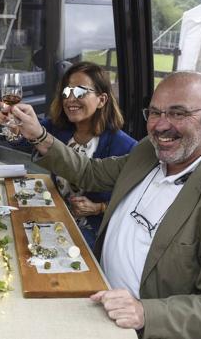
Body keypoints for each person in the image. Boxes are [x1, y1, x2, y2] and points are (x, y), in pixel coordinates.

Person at [0, 71, 201, 339]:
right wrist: (37, 134)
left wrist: (144, 313)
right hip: (94, 288)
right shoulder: (148, 151)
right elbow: (90, 173)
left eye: (177, 113)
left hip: (143, 328)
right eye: (154, 113)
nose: (160, 126)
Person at [8, 62, 136, 250]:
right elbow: (26, 140)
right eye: (67, 92)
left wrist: (99, 208)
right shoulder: (57, 128)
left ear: (101, 100)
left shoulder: (125, 146)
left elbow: (135, 202)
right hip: (53, 215)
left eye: (80, 92)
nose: (69, 99)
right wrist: (15, 128)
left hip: (91, 230)